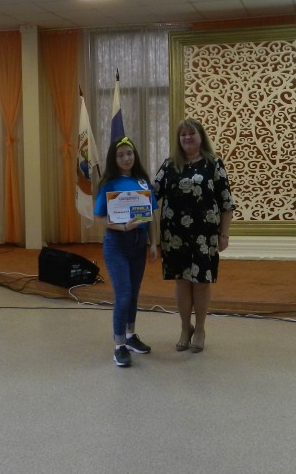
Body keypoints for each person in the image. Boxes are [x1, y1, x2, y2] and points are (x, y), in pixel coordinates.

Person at [152, 118, 235, 353]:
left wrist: (224, 234)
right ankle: (184, 327)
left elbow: (226, 202)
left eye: (191, 133)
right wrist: (121, 194)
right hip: (174, 235)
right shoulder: (169, 165)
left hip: (204, 235)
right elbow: (149, 195)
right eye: (183, 134)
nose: (187, 137)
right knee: (181, 281)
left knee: (201, 282)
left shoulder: (214, 164)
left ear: (201, 137)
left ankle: (199, 329)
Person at [95, 136, 158, 368]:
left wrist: (153, 243)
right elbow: (100, 218)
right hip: (117, 244)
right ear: (114, 159)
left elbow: (151, 216)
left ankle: (130, 336)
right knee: (123, 296)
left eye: (129, 154)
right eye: (120, 155)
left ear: (135, 156)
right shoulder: (109, 184)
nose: (126, 158)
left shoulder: (143, 182)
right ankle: (119, 345)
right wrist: (122, 227)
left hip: (138, 244)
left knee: (133, 294)